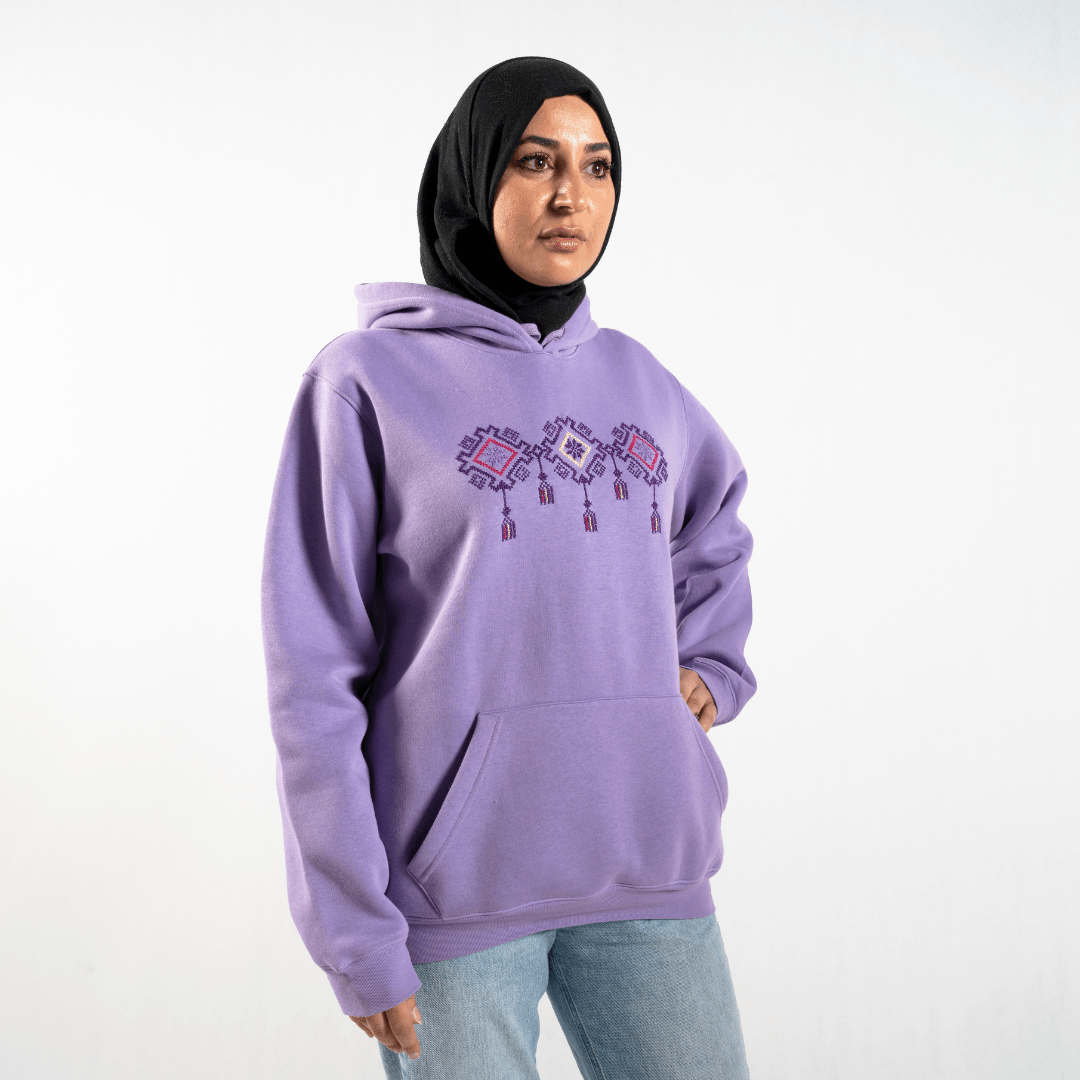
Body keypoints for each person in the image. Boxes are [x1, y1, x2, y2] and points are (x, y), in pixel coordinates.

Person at [261, 56, 757, 1080]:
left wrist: (712, 662)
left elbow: (715, 521)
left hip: (648, 866)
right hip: (453, 903)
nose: (572, 194)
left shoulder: (640, 379)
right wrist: (353, 929)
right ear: (474, 176)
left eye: (597, 165)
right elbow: (310, 674)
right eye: (536, 161)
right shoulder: (364, 382)